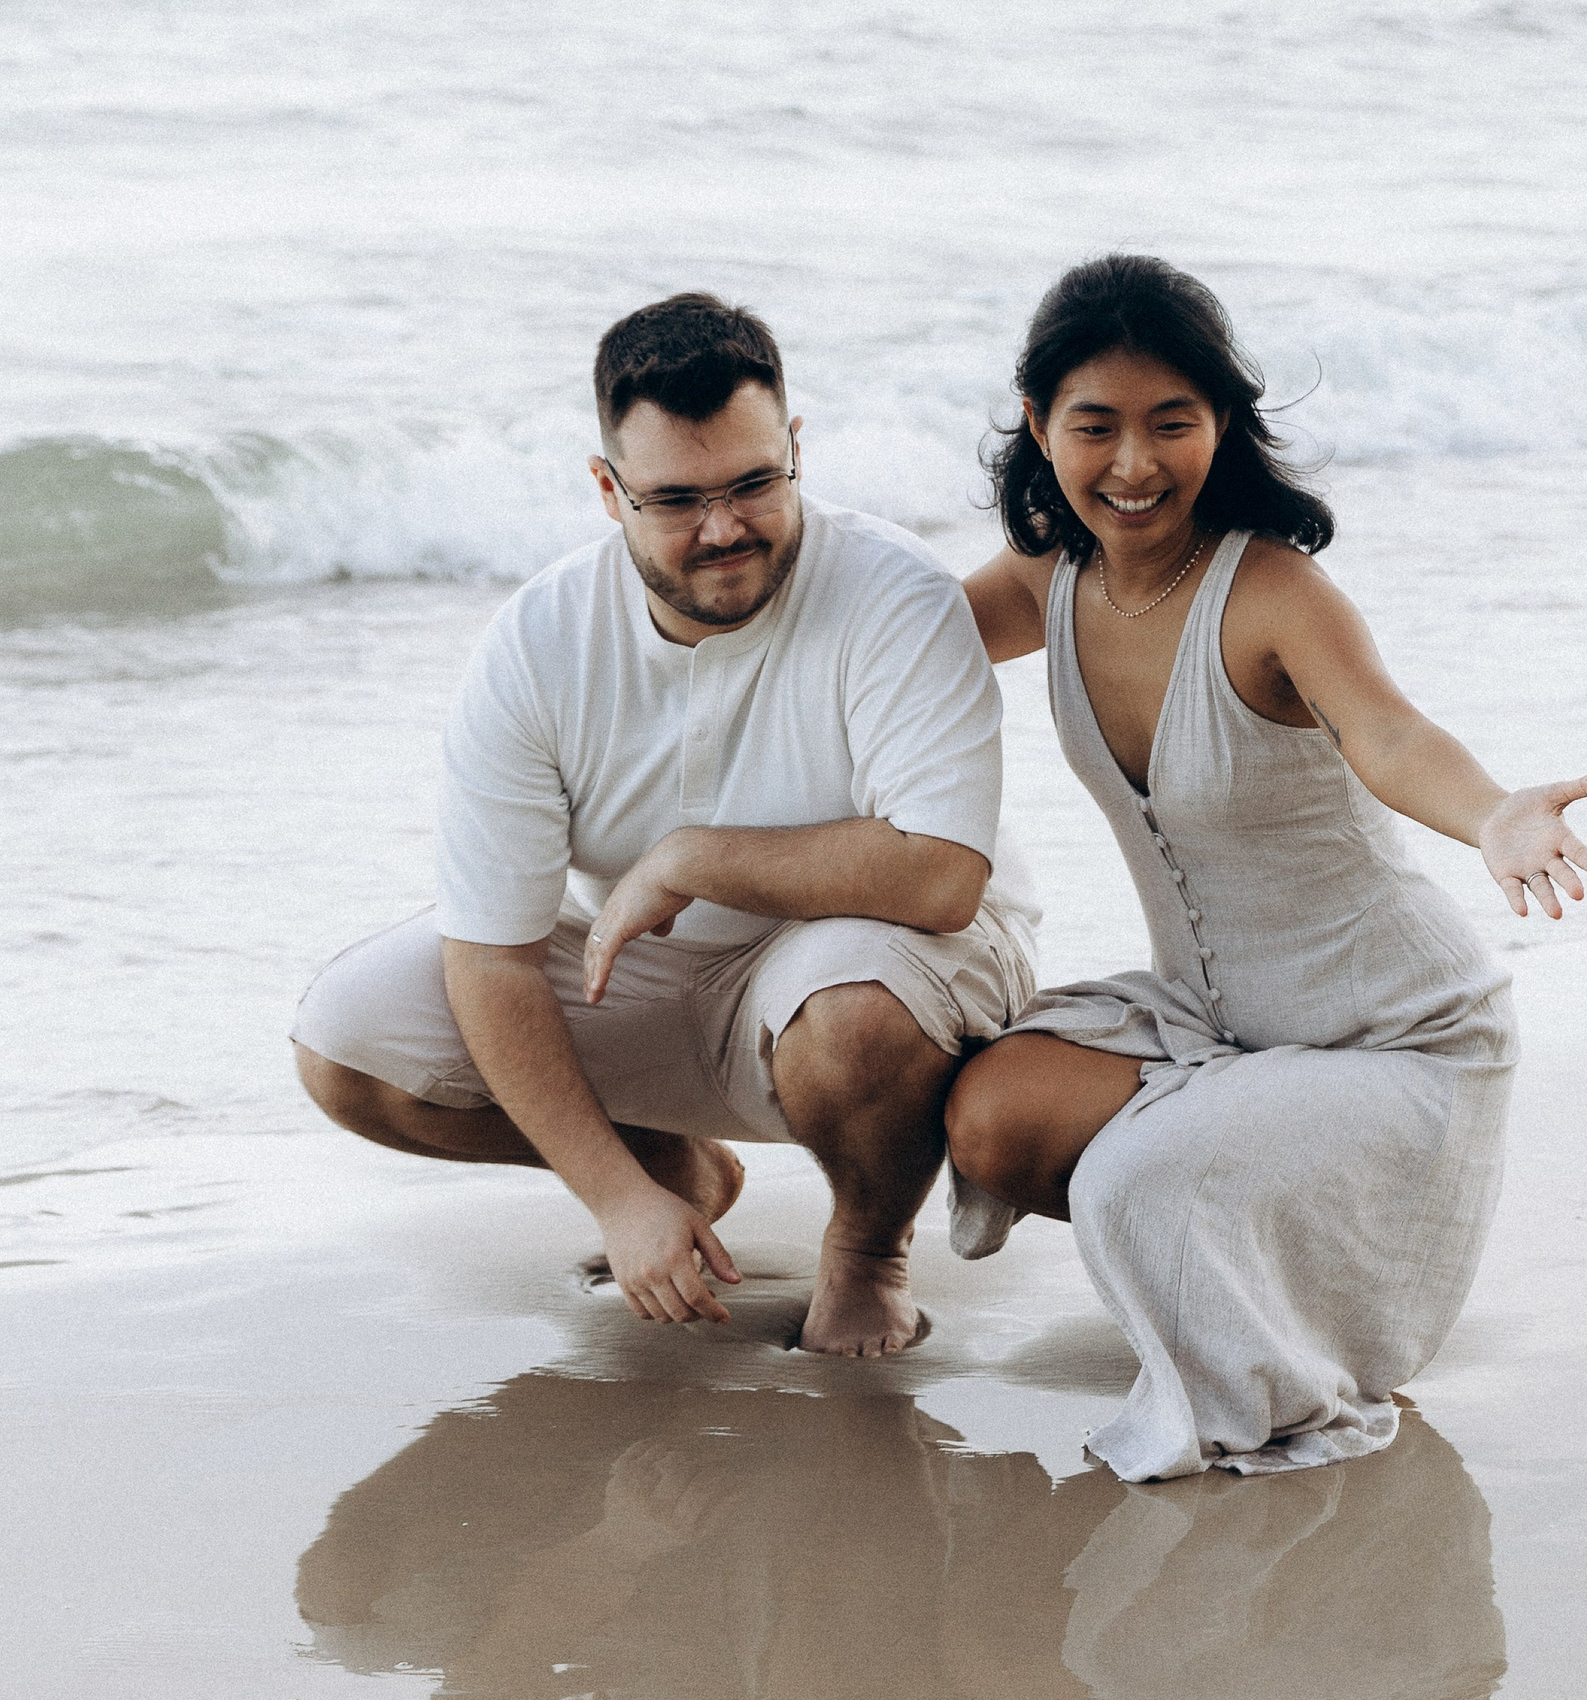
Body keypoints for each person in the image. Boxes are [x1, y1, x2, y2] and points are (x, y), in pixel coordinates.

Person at [944, 252, 1587, 1479]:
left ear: (1224, 425)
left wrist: (1495, 818)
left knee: (1132, 1187)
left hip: (1394, 1037)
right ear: (1040, 426)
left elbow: (1393, 734)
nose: (1134, 464)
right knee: (989, 1116)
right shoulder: (1052, 576)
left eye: (1173, 423)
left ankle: (1275, 1317)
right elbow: (892, 644)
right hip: (1213, 1019)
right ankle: (1240, 1243)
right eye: (1095, 426)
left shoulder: (1272, 593)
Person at [290, 294, 1038, 1355]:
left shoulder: (893, 591)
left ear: (795, 448)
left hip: (896, 972)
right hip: (658, 982)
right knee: (350, 1037)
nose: (724, 527)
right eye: (677, 498)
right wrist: (614, 1196)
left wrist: (695, 858)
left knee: (855, 1008)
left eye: (752, 483)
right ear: (607, 489)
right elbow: (492, 957)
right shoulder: (535, 643)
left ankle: (868, 1251)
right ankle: (679, 1173)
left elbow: (940, 879)